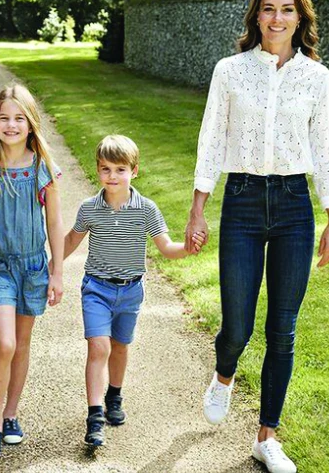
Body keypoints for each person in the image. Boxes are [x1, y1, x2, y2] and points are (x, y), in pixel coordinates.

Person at [186, 0, 329, 473]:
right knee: (237, 326)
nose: (278, 18)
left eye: (287, 9)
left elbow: (327, 148)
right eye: (269, 8)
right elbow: (212, 139)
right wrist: (198, 207)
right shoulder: (230, 71)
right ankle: (224, 373)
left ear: (301, 18)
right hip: (243, 201)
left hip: (295, 205)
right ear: (257, 15)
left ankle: (267, 437)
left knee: (283, 329)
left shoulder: (317, 78)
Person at [63, 135, 205, 447]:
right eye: (105, 169)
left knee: (120, 346)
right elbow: (71, 240)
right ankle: (94, 416)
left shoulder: (146, 209)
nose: (112, 176)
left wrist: (187, 249)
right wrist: (51, 267)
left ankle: (114, 396)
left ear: (134, 171)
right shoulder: (89, 208)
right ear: (98, 170)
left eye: (120, 169)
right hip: (96, 289)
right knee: (98, 347)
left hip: (130, 292)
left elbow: (165, 247)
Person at [0, 84, 65, 463]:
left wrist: (57, 271)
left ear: (31, 124)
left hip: (34, 267)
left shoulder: (42, 169)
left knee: (21, 343)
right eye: (4, 117)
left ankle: (11, 413)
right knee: (4, 343)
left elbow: (54, 223)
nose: (11, 124)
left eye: (19, 118)